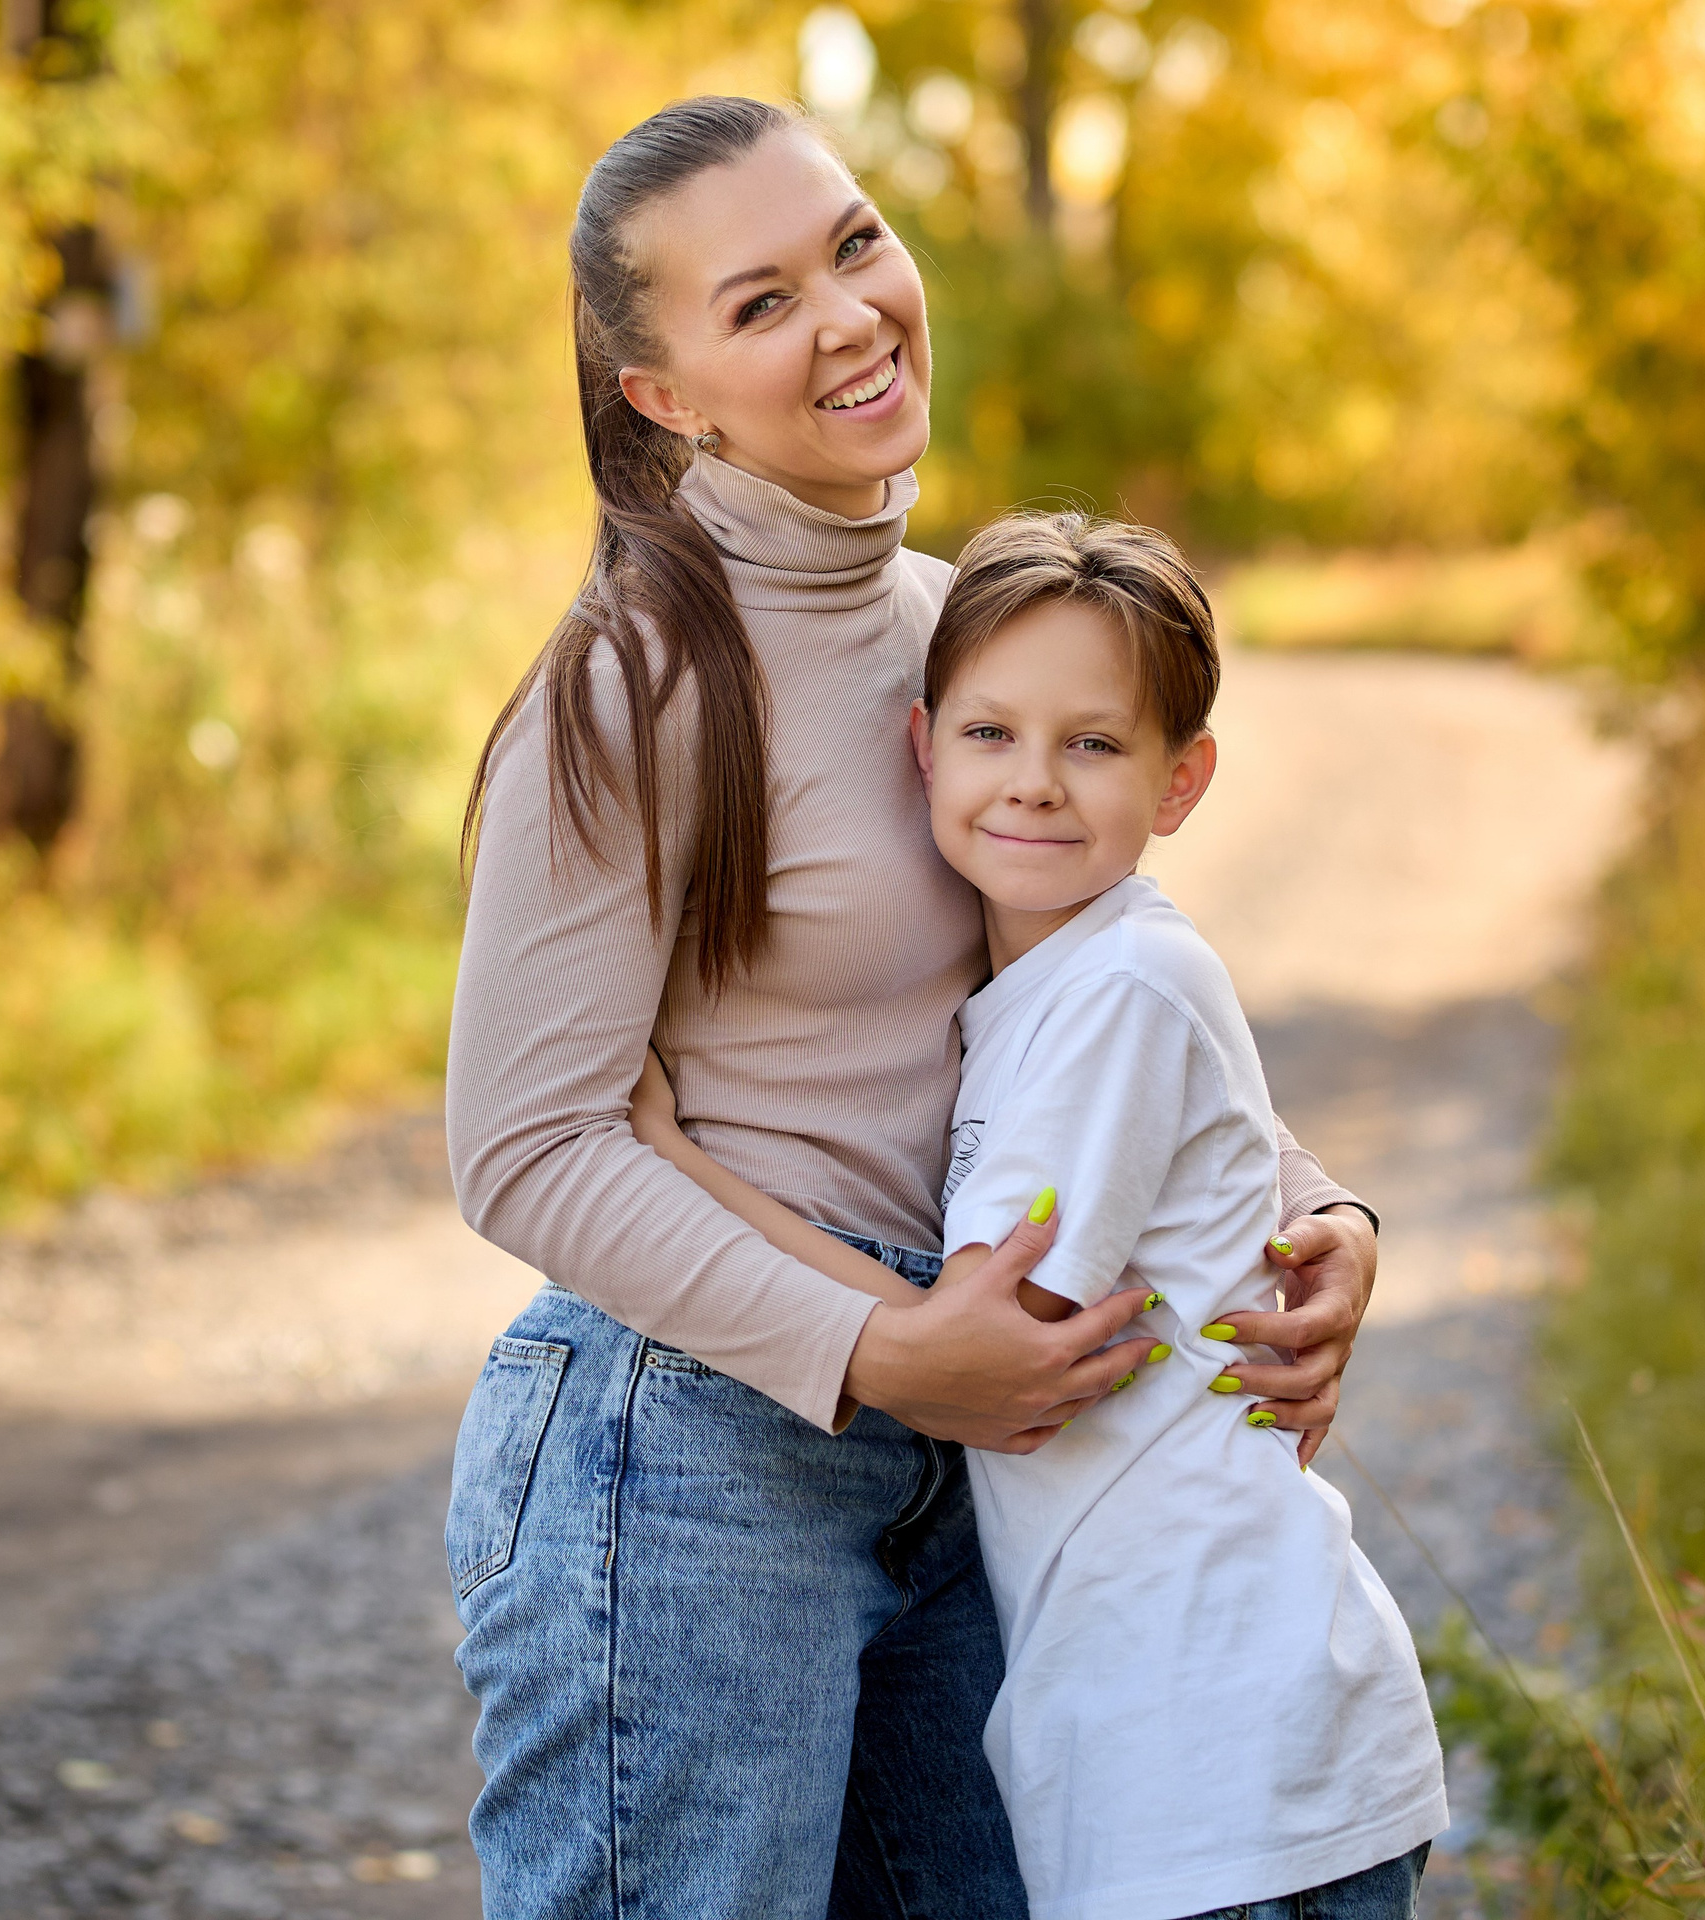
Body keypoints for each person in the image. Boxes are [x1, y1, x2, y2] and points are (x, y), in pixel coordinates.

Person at [444, 95, 1386, 1919]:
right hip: (696, 1450)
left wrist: (1313, 1205)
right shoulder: (630, 686)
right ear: (664, 397)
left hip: (957, 1462)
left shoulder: (965, 632)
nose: (852, 315)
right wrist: (883, 1355)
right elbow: (522, 1149)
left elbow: (1097, 970)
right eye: (761, 300)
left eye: (857, 243)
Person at [630, 512, 1445, 1920]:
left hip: (1230, 1764)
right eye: (993, 734)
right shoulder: (1046, 989)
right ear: (923, 746)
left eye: (1094, 744)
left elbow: (990, 1351)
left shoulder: (1122, 985)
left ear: (1181, 781)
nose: (1035, 786)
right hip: (1166, 1763)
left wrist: (673, 1163)